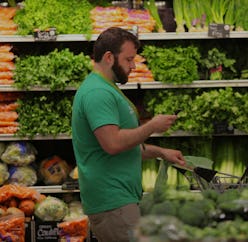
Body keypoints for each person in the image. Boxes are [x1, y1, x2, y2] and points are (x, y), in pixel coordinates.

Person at [71, 27, 185, 242]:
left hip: (118, 201)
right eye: (129, 59)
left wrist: (160, 152)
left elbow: (123, 146)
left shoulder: (107, 87)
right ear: (108, 57)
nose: (133, 66)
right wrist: (152, 126)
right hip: (112, 202)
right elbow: (113, 144)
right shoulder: (98, 92)